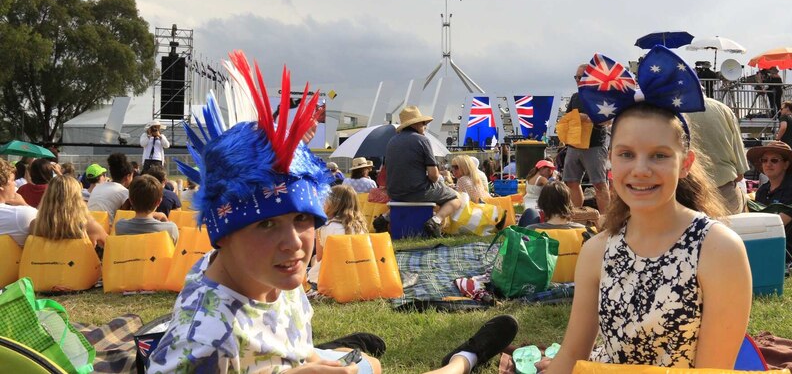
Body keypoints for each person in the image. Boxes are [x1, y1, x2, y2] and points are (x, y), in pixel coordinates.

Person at [148, 52, 517, 374]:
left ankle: (333, 349)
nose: (293, 244)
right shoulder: (205, 341)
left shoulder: (272, 276)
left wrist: (304, 358)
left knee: (371, 365)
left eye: (302, 219)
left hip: (284, 356)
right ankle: (463, 359)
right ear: (223, 233)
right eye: (265, 225)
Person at [545, 49, 751, 371]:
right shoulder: (596, 251)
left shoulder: (720, 249)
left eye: (659, 155)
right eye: (626, 154)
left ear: (686, 164)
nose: (640, 170)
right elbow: (571, 357)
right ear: (609, 160)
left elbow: (713, 369)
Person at [384, 105, 461, 238]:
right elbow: (433, 175)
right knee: (455, 199)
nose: (425, 126)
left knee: (408, 199)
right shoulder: (422, 140)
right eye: (424, 123)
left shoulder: (391, 141)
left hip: (395, 192)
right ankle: (435, 221)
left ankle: (385, 218)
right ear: (417, 123)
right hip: (417, 191)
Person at [685, 97, 749, 214]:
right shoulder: (723, 109)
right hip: (726, 196)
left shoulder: (668, 111)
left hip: (685, 197)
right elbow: (740, 173)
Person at [748, 141, 792, 256]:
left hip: (783, 249)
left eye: (774, 160)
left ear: (786, 165)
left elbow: (775, 226)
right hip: (762, 242)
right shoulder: (762, 190)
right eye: (764, 160)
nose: (768, 164)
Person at [563, 64, 610, 214]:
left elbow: (608, 120)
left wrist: (589, 118)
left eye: (580, 77)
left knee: (599, 184)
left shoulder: (601, 96)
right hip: (574, 144)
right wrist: (575, 118)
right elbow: (567, 117)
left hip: (594, 145)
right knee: (571, 181)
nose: (577, 80)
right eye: (576, 77)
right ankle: (578, 215)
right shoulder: (575, 97)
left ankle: (606, 221)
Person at [307, 185, 368, 284]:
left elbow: (320, 258)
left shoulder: (323, 227)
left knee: (314, 259)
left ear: (331, 204)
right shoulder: (360, 227)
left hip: (333, 278)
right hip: (359, 275)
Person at [32, 175, 107, 248]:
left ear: (47, 197)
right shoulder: (89, 227)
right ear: (77, 198)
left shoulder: (35, 226)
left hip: (47, 260)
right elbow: (110, 249)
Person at [114, 175, 179, 244]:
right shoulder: (170, 229)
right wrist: (165, 219)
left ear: (130, 201)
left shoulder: (120, 227)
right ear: (158, 202)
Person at [521, 181, 600, 229]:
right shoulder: (584, 231)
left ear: (542, 203)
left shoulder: (531, 231)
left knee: (531, 212)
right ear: (569, 203)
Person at [0, 158, 37, 247]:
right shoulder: (22, 214)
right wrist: (24, 204)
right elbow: (45, 222)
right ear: (1, 187)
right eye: (12, 180)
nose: (15, 184)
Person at [88, 153, 134, 221]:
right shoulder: (124, 192)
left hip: (88, 224)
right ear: (128, 177)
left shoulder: (98, 187)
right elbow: (124, 218)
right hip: (106, 229)